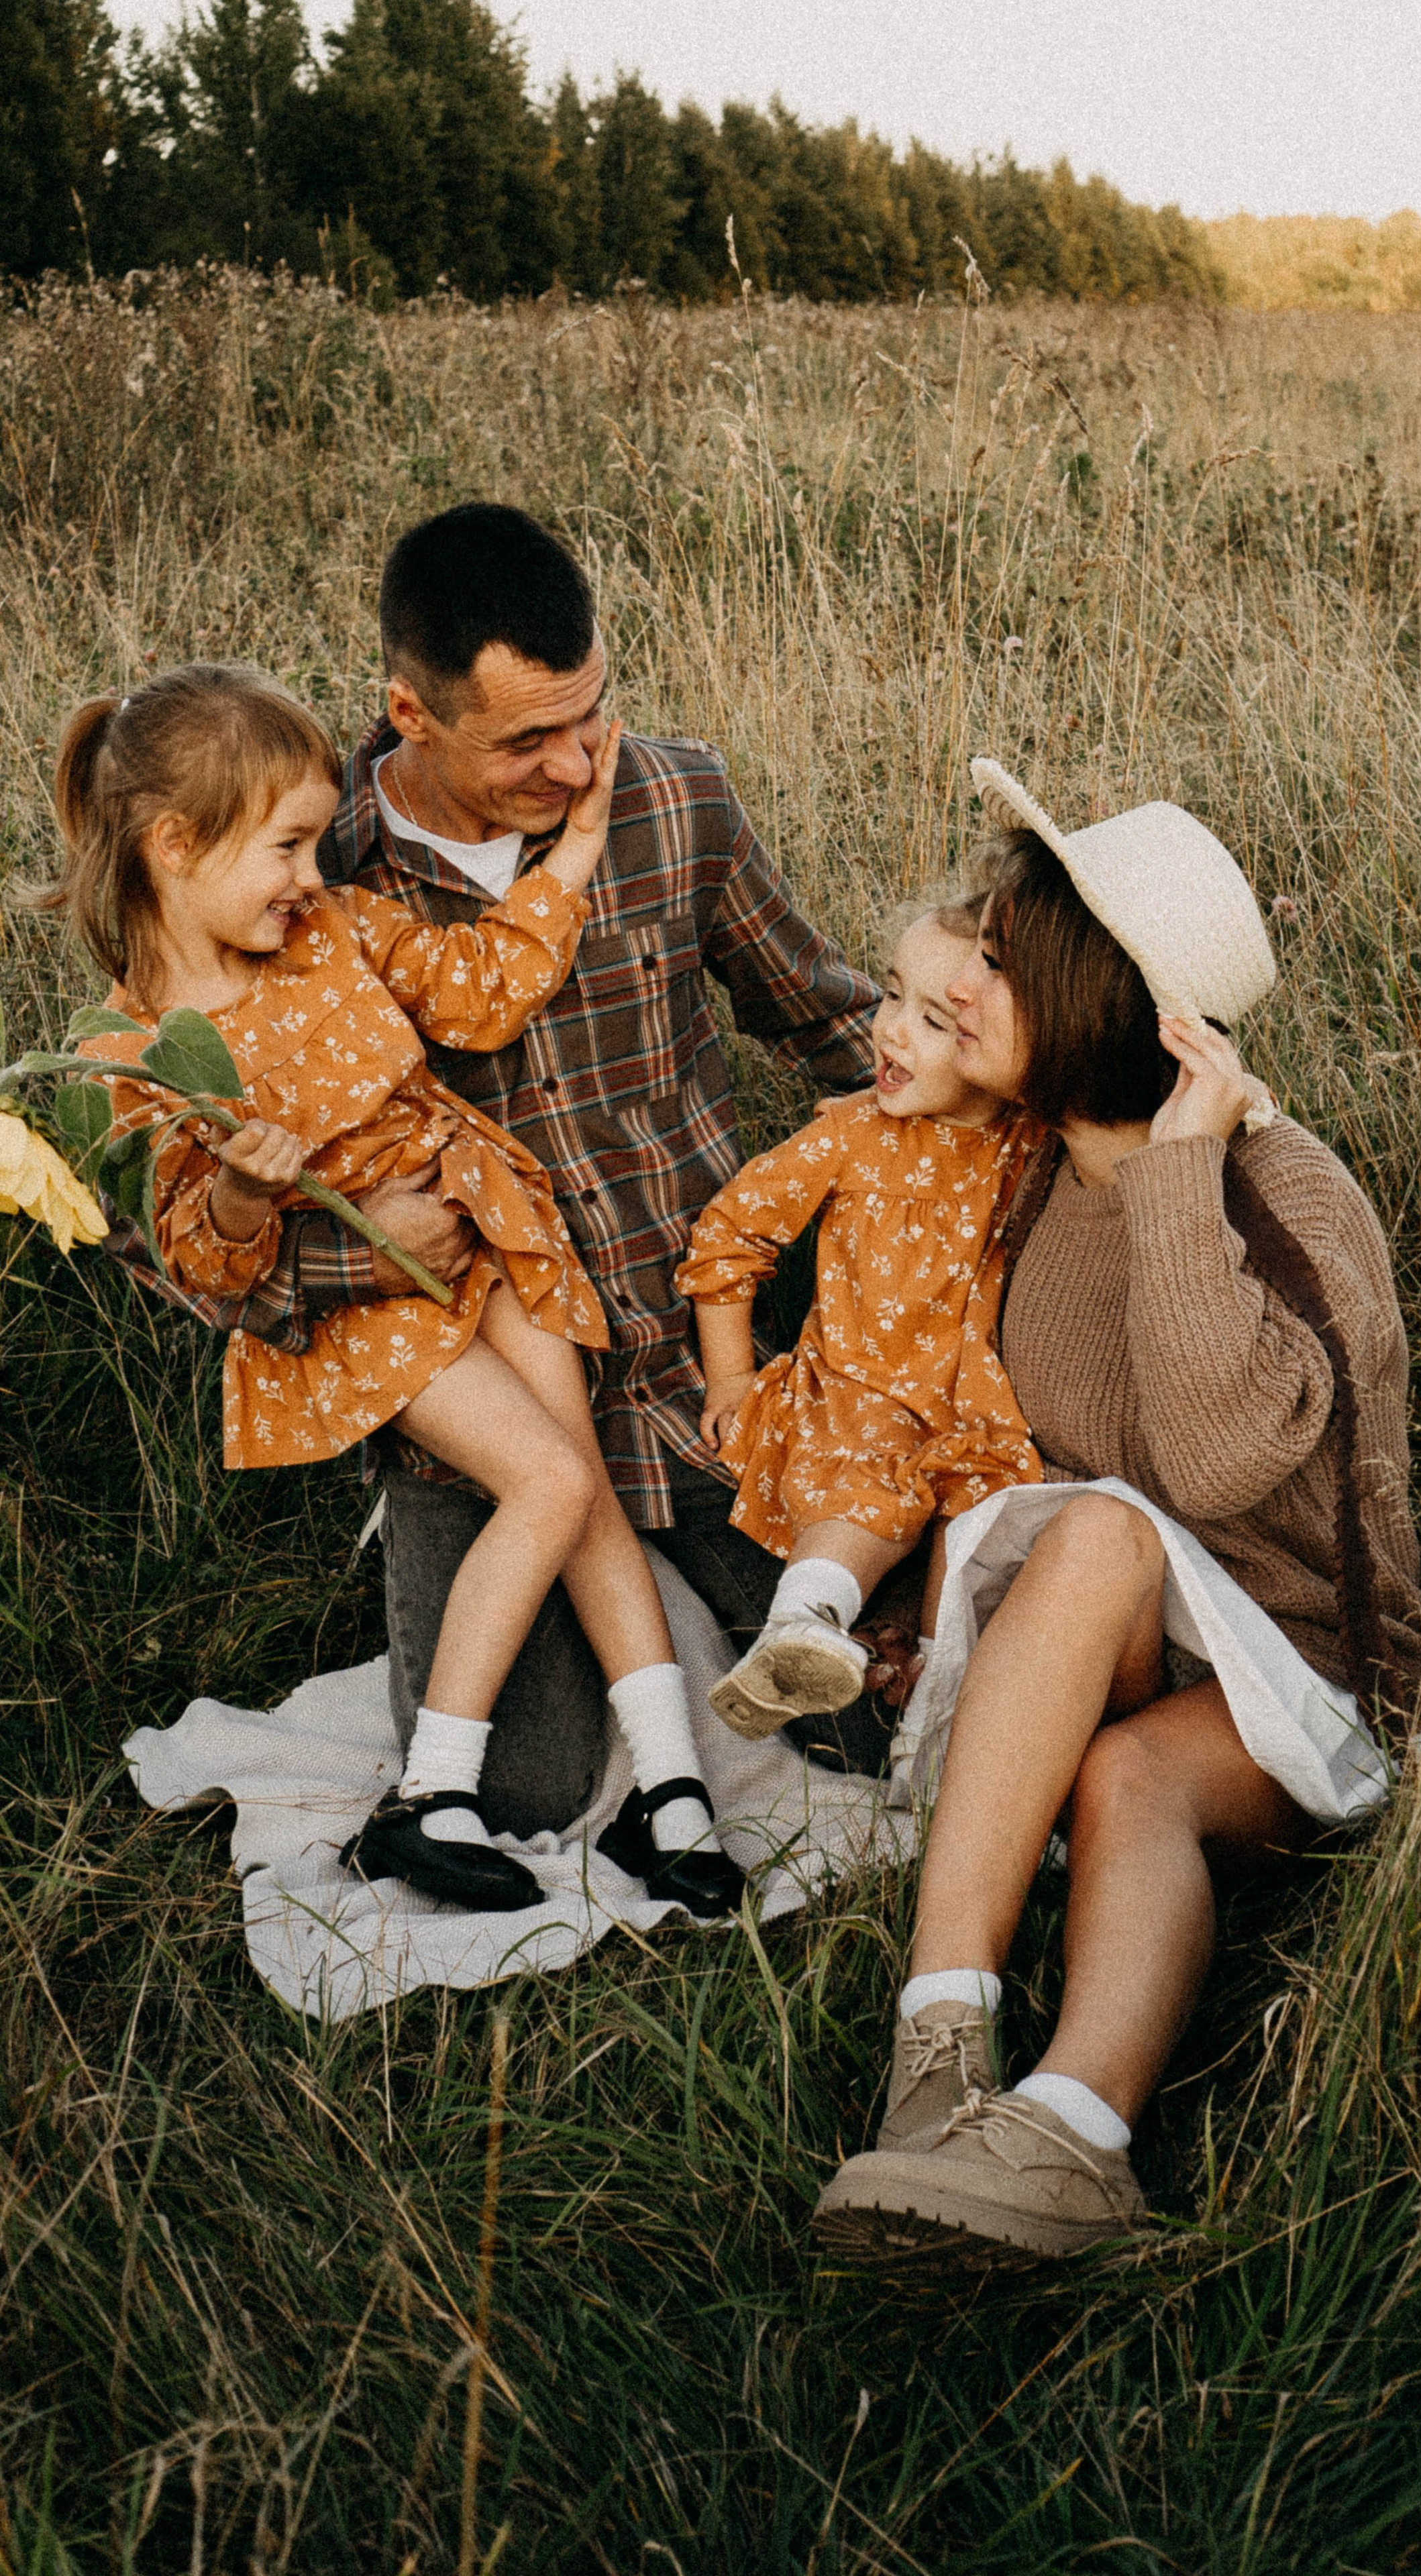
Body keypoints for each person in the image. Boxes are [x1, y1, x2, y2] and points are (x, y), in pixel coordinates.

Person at [99, 504, 882, 1839]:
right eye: (526, 739)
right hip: (472, 1387)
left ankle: (685, 1647)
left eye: (590, 717)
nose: (576, 766)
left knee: (859, 1720)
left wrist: (1001, 1146)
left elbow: (823, 1017)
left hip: (696, 1361)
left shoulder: (673, 796)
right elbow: (171, 1232)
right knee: (523, 1792)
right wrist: (366, 1246)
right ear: (408, 710)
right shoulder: (295, 862)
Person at [814, 759, 1421, 2267]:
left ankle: (1075, 2129)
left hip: (1306, 1671)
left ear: (1103, 1006)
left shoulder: (1283, 1198)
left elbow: (1214, 1471)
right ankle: (944, 2071)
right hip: (1122, 1637)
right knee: (1087, 1572)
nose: (969, 966)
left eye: (1008, 955)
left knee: (1122, 1755)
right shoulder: (1027, 1178)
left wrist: (1178, 1174)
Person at [56, 662, 743, 1921]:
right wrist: (250, 1198)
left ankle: (672, 1793)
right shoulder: (128, 1056)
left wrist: (576, 857)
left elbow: (480, 994)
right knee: (545, 1483)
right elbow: (203, 1266)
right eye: (289, 847)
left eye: (317, 841)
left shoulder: (333, 933)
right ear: (173, 845)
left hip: (488, 1234)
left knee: (575, 1479)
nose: (315, 874)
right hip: (372, 1314)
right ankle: (434, 1800)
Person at [676, 894, 1042, 1737]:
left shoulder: (1028, 1141)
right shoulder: (853, 1135)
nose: (891, 1033)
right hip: (861, 1389)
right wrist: (730, 1374)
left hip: (976, 1410)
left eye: (932, 1021)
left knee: (984, 1532)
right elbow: (731, 1232)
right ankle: (799, 1626)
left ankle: (935, 1696)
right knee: (862, 1492)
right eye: (889, 997)